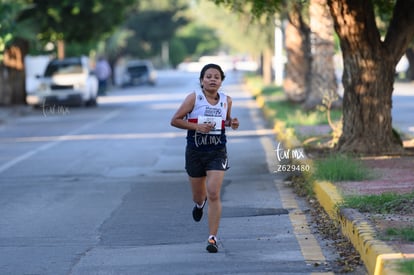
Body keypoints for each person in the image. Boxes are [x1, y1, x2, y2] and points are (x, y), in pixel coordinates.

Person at [170, 63, 239, 253]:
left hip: (217, 152)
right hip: (195, 152)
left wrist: (232, 122)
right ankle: (199, 204)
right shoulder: (194, 98)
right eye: (208, 76)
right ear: (201, 81)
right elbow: (175, 120)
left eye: (216, 76)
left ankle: (212, 238)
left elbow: (226, 121)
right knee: (199, 195)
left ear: (221, 81)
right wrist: (196, 127)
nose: (212, 79)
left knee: (214, 192)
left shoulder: (227, 100)